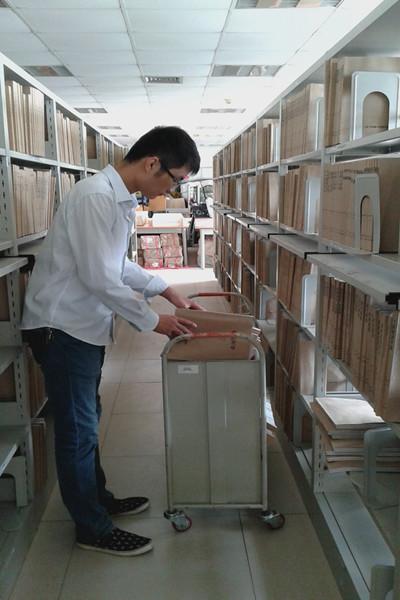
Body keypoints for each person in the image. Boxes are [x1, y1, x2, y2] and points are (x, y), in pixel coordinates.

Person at [21, 126, 203, 557]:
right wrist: (153, 321)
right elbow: (99, 277)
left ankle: (97, 500)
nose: (172, 190)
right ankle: (92, 528)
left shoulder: (117, 200)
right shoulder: (95, 198)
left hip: (81, 327)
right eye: (175, 180)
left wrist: (166, 290)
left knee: (87, 420)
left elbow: (116, 265)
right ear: (152, 163)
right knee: (77, 430)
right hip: (62, 328)